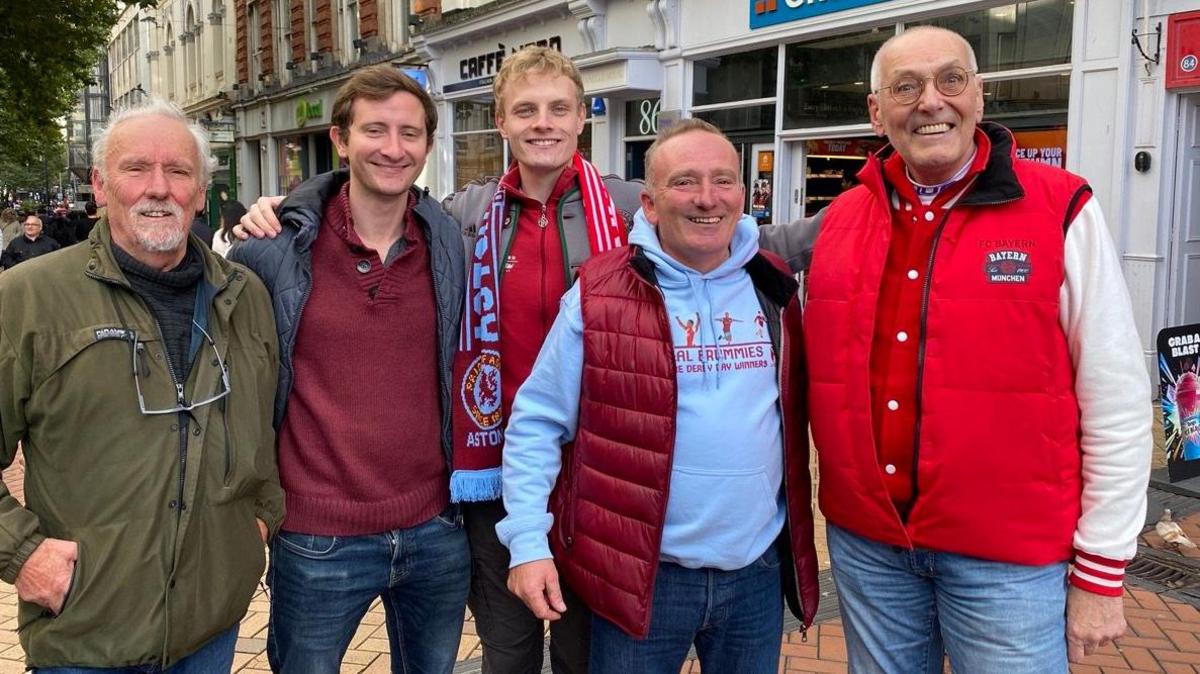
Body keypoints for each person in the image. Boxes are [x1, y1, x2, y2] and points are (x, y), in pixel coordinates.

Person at [803, 26, 1151, 672]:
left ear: (980, 97)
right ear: (877, 112)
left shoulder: (1061, 208)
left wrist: (1102, 567)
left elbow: (1117, 397)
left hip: (1009, 561)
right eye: (906, 87)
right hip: (870, 548)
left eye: (950, 80)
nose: (931, 101)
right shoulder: (844, 220)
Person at [498, 119, 818, 673]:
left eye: (723, 181)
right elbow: (537, 422)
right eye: (685, 182)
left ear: (742, 195)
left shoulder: (773, 287)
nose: (706, 198)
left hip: (755, 573)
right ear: (648, 203)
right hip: (642, 578)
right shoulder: (599, 295)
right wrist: (528, 542)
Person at [0, 99, 284, 671]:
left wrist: (260, 518)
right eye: (136, 169)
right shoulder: (28, 298)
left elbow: (266, 423)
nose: (159, 188)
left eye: (178, 171)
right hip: (86, 631)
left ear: (201, 191)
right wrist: (24, 554)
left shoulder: (244, 294)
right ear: (102, 187)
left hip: (209, 625)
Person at [228, 64, 469, 673]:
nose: (394, 149)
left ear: (427, 145)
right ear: (340, 139)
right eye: (375, 130)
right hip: (317, 537)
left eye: (410, 134)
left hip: (435, 528)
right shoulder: (271, 249)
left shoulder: (449, 243)